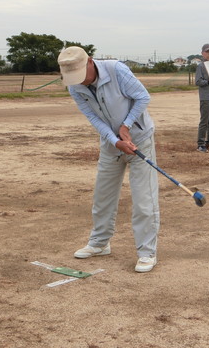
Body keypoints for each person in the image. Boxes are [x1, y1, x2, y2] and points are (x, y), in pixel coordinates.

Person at [57, 46, 160, 273]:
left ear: (90, 62)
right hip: (111, 145)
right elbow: (93, 118)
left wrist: (127, 125)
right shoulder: (75, 87)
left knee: (144, 200)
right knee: (102, 197)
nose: (80, 81)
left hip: (139, 139)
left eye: (81, 75)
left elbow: (143, 96)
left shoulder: (116, 70)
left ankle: (147, 252)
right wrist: (115, 141)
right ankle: (100, 243)